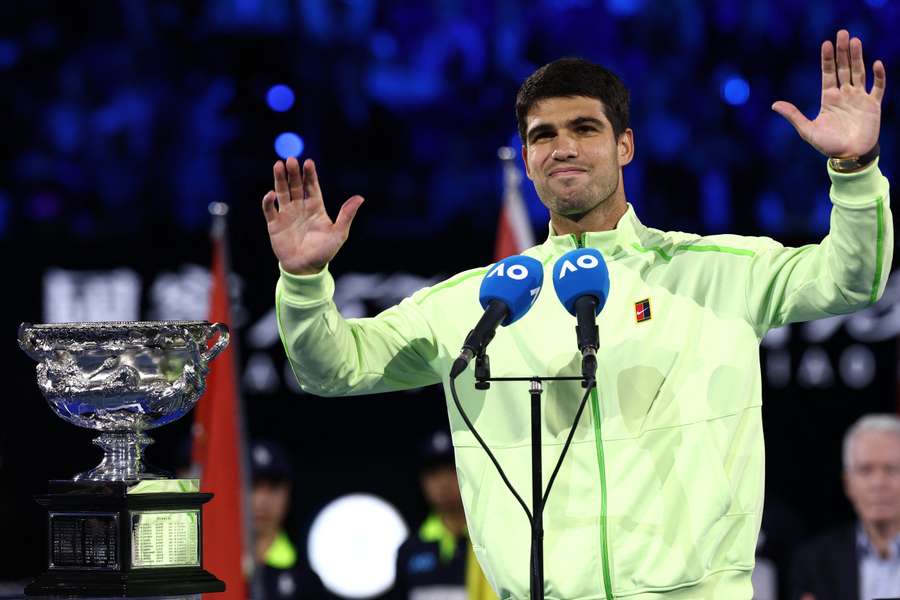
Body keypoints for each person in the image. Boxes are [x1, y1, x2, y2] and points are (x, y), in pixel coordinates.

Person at [261, 30, 891, 599]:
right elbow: (331, 368)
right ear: (528, 158)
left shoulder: (718, 270)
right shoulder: (480, 303)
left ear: (625, 145)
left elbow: (852, 279)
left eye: (584, 129)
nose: (563, 148)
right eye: (543, 136)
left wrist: (856, 171)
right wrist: (304, 280)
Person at [791, 414, 900, 600]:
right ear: (848, 483)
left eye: (891, 469)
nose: (878, 483)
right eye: (865, 470)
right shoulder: (814, 562)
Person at [391, 431, 499, 600]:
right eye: (433, 473)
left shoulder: (492, 546)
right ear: (422, 481)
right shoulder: (409, 551)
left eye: (452, 470)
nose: (443, 482)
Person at [248, 440, 328, 600]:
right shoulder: (204, 567)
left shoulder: (306, 581)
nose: (262, 500)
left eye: (274, 487)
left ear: (289, 493)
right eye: (252, 485)